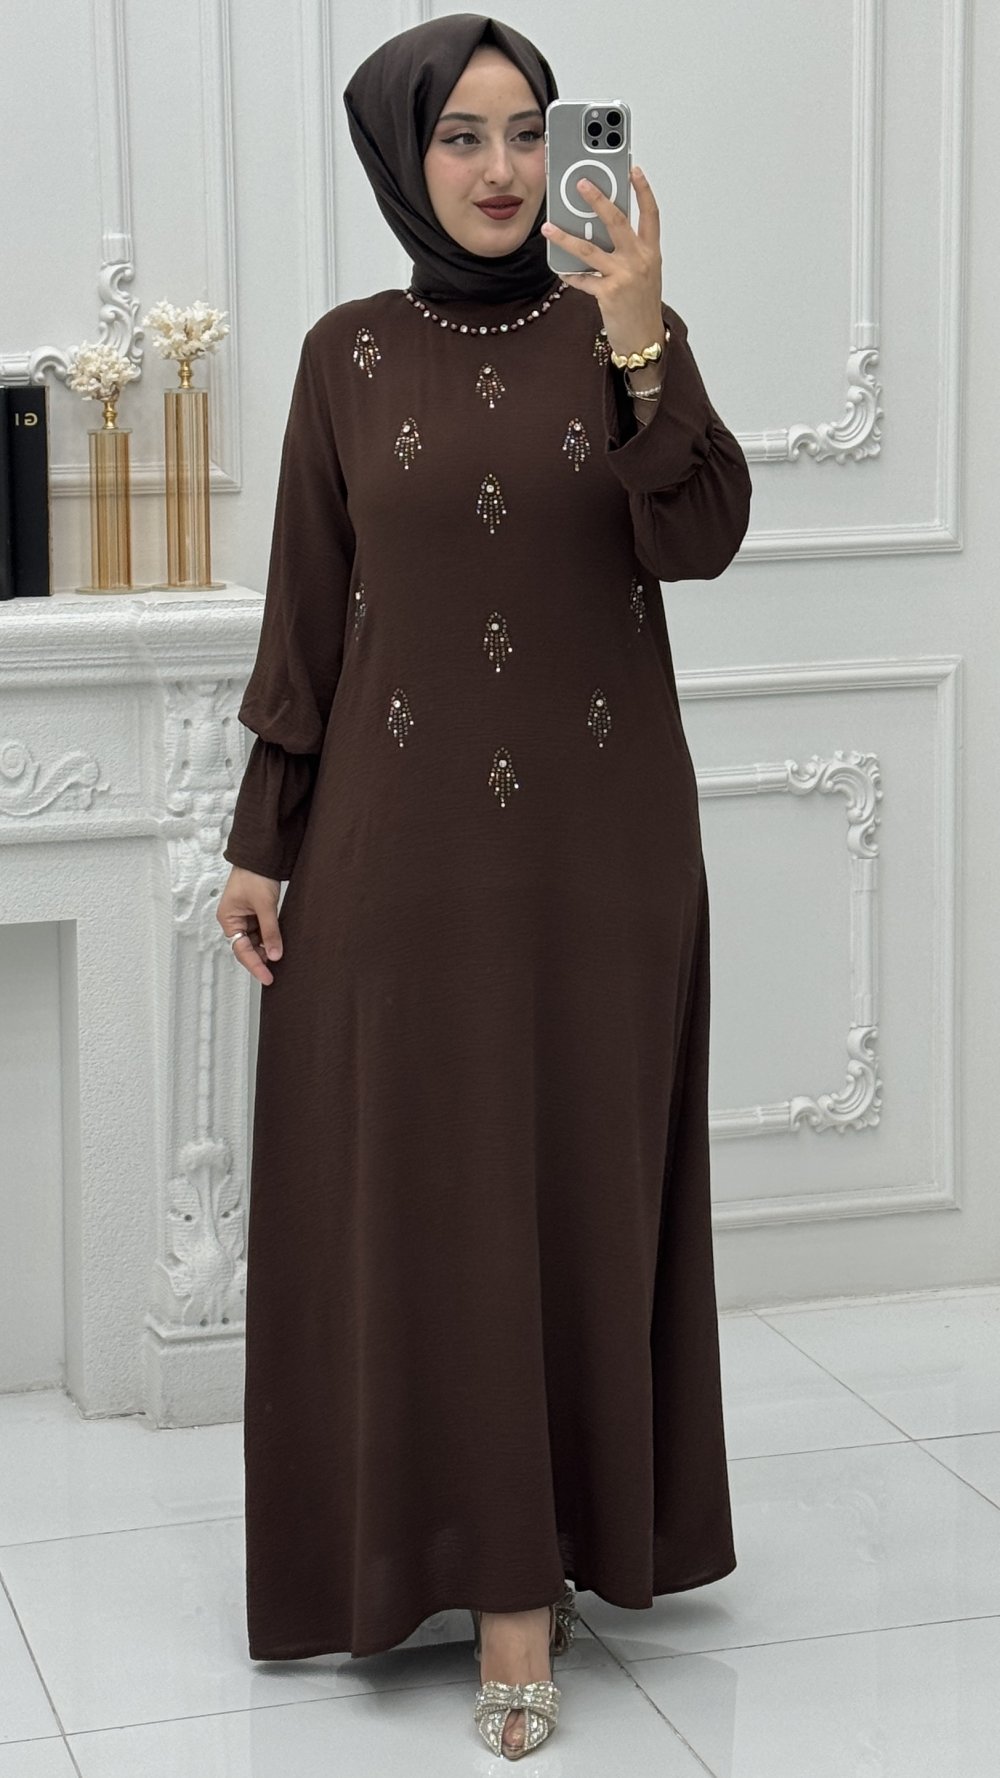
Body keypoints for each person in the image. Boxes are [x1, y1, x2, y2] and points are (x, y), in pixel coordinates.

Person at [216, 10, 752, 1761]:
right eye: (462, 135)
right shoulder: (345, 355)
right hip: (398, 849)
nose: (506, 168)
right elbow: (307, 617)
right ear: (403, 155)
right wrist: (260, 836)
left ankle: (537, 1577)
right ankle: (429, 1551)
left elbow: (701, 534)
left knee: (573, 1183)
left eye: (529, 130)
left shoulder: (618, 328)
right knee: (422, 1195)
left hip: (602, 853)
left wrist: (643, 332)